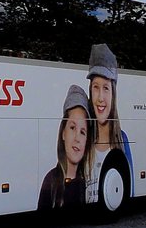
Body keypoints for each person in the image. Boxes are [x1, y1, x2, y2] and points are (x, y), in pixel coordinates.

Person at [85, 43, 132, 204]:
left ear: (113, 94)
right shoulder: (82, 140)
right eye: (95, 87)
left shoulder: (122, 140)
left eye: (105, 88)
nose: (100, 98)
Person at [37, 85, 93, 211]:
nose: (77, 138)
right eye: (72, 128)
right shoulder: (50, 181)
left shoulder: (87, 183)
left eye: (82, 132)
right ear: (63, 133)